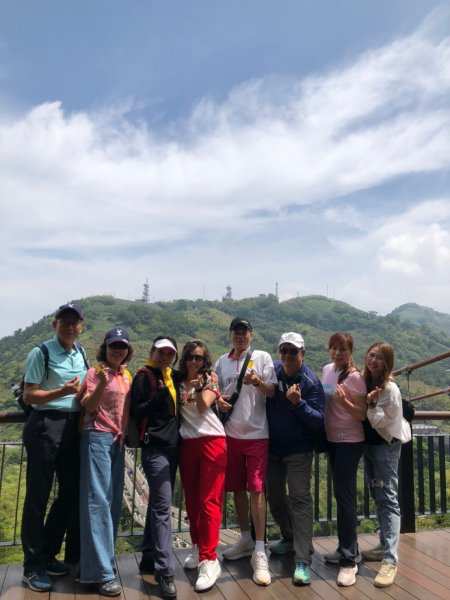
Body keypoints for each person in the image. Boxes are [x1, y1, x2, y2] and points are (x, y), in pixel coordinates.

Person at [21, 303, 88, 592]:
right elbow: (29, 395)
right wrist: (62, 391)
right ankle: (32, 566)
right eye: (65, 322)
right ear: (55, 324)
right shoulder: (41, 352)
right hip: (45, 425)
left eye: (75, 322)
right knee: (38, 496)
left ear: (81, 326)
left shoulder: (81, 352)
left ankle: (48, 553)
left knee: (71, 493)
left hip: (73, 426)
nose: (70, 326)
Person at [215, 317, 276, 586]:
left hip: (257, 434)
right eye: (236, 332)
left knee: (257, 490)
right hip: (230, 434)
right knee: (237, 489)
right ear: (231, 334)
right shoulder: (221, 361)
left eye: (244, 332)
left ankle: (260, 550)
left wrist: (258, 382)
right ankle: (245, 539)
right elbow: (215, 392)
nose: (240, 336)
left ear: (252, 334)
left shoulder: (262, 357)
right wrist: (219, 401)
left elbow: (272, 390)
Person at [266, 332, 325, 586]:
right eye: (284, 351)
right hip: (273, 449)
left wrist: (298, 403)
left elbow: (319, 421)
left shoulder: (311, 382)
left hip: (299, 451)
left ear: (303, 353)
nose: (288, 356)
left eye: (293, 351)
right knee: (274, 496)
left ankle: (302, 559)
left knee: (300, 500)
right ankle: (290, 538)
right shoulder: (274, 371)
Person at [79, 328, 133, 596]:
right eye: (114, 345)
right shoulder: (94, 372)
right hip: (97, 437)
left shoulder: (126, 375)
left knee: (110, 503)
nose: (118, 350)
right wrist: (100, 382)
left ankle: (98, 567)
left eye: (122, 346)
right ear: (106, 347)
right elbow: (89, 406)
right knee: (97, 502)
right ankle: (102, 573)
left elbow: (127, 409)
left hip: (117, 441)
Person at [130, 336, 179, 600]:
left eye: (169, 353)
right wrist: (157, 398)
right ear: (152, 352)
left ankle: (149, 555)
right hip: (154, 449)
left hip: (173, 449)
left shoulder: (172, 376)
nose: (164, 357)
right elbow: (136, 411)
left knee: (157, 504)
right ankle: (165, 571)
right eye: (161, 352)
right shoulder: (144, 376)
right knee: (162, 507)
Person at [177, 340, 226, 592]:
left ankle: (210, 559)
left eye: (199, 358)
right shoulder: (176, 380)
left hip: (212, 441)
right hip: (188, 443)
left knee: (209, 500)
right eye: (191, 357)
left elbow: (203, 404)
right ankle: (198, 547)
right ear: (184, 359)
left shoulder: (210, 378)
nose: (195, 362)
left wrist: (196, 390)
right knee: (193, 501)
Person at [362, 342, 411, 588]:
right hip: (370, 448)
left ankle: (390, 560)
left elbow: (385, 424)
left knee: (388, 497)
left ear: (387, 363)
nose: (373, 361)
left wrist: (370, 405)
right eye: (371, 355)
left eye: (380, 358)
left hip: (386, 446)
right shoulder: (365, 381)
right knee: (378, 494)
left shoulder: (390, 389)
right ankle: (383, 545)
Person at [321, 333, 367, 587]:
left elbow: (361, 414)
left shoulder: (357, 379)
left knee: (345, 496)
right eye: (335, 348)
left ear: (351, 351)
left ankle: (350, 560)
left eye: (343, 349)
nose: (338, 353)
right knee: (340, 495)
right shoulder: (327, 370)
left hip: (350, 441)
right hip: (331, 440)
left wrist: (345, 401)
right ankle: (345, 548)